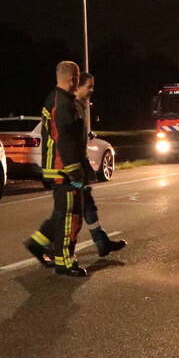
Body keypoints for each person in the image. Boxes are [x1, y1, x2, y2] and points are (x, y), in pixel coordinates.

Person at [24, 61, 89, 277]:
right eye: (78, 78)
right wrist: (75, 170)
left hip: (58, 168)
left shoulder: (56, 99)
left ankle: (39, 244)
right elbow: (65, 140)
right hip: (64, 169)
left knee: (63, 214)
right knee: (71, 216)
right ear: (73, 79)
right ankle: (65, 262)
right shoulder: (63, 104)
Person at [73, 72, 126, 257]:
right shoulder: (70, 107)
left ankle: (101, 241)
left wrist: (86, 165)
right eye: (89, 86)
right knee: (70, 212)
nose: (92, 90)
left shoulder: (79, 106)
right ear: (78, 86)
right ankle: (47, 248)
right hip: (70, 169)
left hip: (77, 167)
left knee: (87, 205)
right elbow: (68, 142)